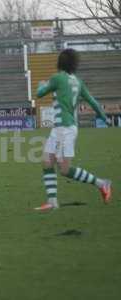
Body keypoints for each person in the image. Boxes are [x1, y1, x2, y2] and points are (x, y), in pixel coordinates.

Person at [35, 48, 112, 211]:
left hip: (64, 129)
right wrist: (104, 118)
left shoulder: (57, 78)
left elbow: (40, 94)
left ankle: (101, 183)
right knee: (47, 162)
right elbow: (93, 102)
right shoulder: (77, 81)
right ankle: (52, 201)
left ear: (59, 63)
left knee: (64, 169)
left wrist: (40, 85)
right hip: (64, 128)